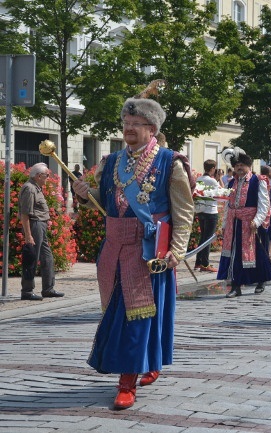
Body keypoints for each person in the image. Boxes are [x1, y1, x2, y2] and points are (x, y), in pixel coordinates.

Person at [72, 91, 195, 409]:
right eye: (126, 122)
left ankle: (127, 382)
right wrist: (85, 194)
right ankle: (146, 361)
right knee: (118, 314)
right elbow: (104, 202)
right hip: (113, 249)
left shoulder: (171, 163)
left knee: (136, 316)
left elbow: (183, 212)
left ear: (152, 129)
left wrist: (176, 251)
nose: (128, 128)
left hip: (148, 252)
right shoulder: (112, 162)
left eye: (136, 123)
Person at [216, 148, 271, 298]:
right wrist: (224, 225)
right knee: (235, 255)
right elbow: (229, 205)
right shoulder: (230, 183)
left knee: (257, 254)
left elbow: (264, 204)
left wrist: (257, 220)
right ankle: (236, 285)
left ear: (248, 166)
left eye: (242, 165)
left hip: (251, 223)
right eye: (237, 165)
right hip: (234, 223)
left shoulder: (258, 181)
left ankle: (261, 280)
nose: (239, 168)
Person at [19, 162, 64, 301]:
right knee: (32, 258)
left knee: (47, 257)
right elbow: (25, 214)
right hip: (35, 225)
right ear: (38, 176)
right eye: (46, 175)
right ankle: (27, 291)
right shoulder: (30, 188)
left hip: (41, 225)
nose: (48, 178)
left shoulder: (37, 188)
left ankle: (48, 288)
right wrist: (28, 235)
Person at [193, 159, 220, 273]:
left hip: (201, 210)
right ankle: (205, 263)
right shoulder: (213, 181)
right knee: (208, 239)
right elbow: (219, 194)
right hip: (211, 211)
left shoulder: (199, 179)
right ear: (213, 169)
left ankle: (198, 262)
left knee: (203, 237)